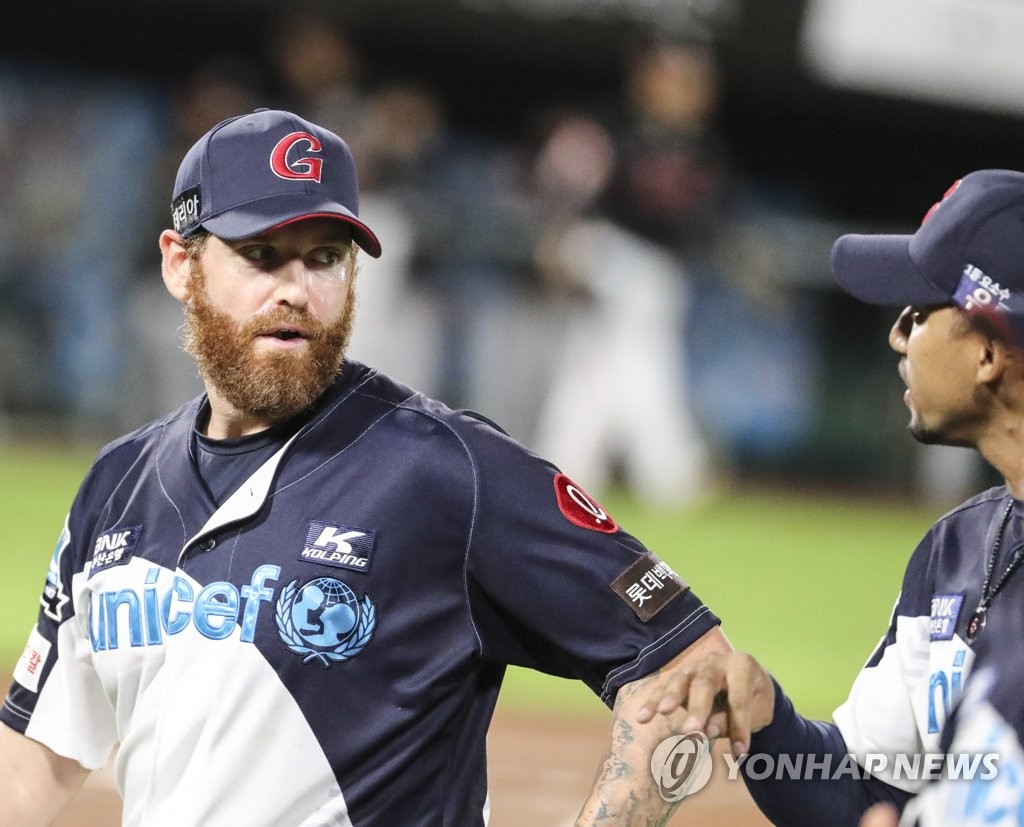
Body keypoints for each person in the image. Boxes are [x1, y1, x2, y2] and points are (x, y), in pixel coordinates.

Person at [0, 108, 733, 826]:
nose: (295, 288)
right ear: (180, 265)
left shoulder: (444, 470)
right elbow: (32, 763)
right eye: (261, 254)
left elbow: (686, 660)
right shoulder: (117, 486)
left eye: (324, 257)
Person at [634, 168, 1024, 824]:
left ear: (989, 353)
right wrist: (767, 723)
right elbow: (867, 793)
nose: (898, 335)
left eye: (921, 312)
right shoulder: (956, 551)